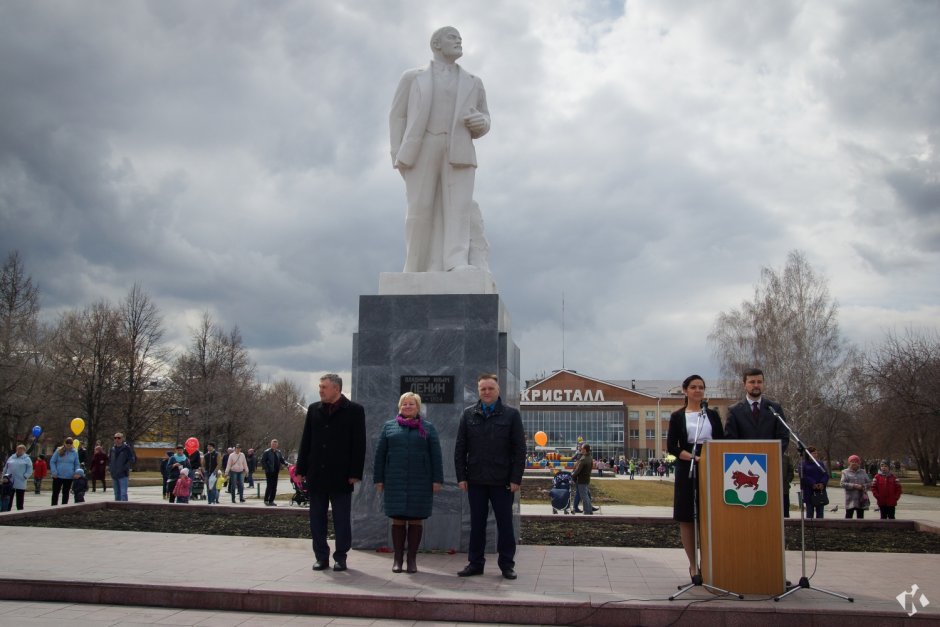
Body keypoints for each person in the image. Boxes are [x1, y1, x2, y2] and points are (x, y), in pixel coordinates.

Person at [390, 26, 492, 273]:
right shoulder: (412, 78)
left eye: (460, 38)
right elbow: (397, 116)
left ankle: (456, 261)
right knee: (419, 209)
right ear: (436, 44)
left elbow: (485, 117)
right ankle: (414, 265)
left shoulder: (474, 82)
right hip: (422, 147)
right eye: (452, 37)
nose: (459, 41)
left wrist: (482, 123)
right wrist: (397, 154)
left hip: (459, 150)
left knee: (459, 208)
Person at [454, 373, 525, 580]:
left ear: (498, 390)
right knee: (477, 524)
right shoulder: (468, 415)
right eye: (483, 389)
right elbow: (460, 449)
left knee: (505, 525)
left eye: (490, 388)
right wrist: (461, 477)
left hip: (502, 481)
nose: (486, 392)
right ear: (478, 391)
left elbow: (519, 449)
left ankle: (506, 565)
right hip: (475, 480)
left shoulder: (511, 415)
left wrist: (515, 479)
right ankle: (475, 563)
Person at [295, 373, 366, 572]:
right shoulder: (313, 409)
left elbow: (359, 445)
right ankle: (321, 556)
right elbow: (305, 441)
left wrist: (355, 473)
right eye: (320, 387)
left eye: (324, 387)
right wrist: (301, 469)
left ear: (336, 388)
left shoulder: (354, 410)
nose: (320, 391)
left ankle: (341, 556)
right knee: (316, 518)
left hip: (341, 475)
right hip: (316, 473)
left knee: (341, 519)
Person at [373, 392, 444, 573]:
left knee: (415, 520)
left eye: (411, 404)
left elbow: (436, 456)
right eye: (404, 404)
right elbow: (380, 455)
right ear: (399, 406)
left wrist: (437, 479)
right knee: (397, 519)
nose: (407, 407)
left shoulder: (428, 428)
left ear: (418, 407)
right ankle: (398, 559)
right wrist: (379, 479)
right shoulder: (389, 427)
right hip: (394, 480)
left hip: (420, 481)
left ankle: (411, 560)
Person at [666, 374, 724, 582]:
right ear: (685, 391)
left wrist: (710, 458)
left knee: (710, 514)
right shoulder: (677, 416)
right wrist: (693, 457)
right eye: (693, 387)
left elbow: (721, 441)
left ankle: (710, 562)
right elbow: (672, 446)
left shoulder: (713, 415)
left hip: (712, 467)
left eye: (701, 387)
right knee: (687, 516)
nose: (698, 390)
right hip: (688, 466)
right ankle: (693, 565)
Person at [724, 368, 789, 452]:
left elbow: (783, 437)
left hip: (770, 459)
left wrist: (772, 454)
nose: (756, 385)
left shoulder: (774, 408)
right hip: (744, 461)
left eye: (759, 382)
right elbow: (730, 440)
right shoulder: (734, 411)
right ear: (744, 385)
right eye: (752, 382)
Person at [800, 446, 829, 518]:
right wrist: (813, 483)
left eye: (816, 453)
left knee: (820, 512)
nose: (816, 455)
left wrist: (822, 483)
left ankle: (820, 526)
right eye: (813, 453)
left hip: (820, 491)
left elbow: (825, 474)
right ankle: (809, 527)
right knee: (809, 511)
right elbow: (803, 476)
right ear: (808, 454)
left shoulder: (820, 463)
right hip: (809, 491)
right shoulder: (803, 464)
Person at [49, 438, 80, 505]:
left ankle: (64, 507)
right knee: (55, 493)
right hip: (57, 476)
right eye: (67, 443)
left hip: (69, 476)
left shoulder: (74, 452)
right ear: (64, 443)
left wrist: (76, 472)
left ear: (72, 444)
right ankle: (54, 507)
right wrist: (54, 471)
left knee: (65, 493)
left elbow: (77, 464)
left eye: (70, 444)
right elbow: (52, 461)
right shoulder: (59, 450)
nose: (68, 445)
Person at [2, 444, 33, 510]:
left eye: (21, 450)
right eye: (18, 449)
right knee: (9, 498)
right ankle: (7, 510)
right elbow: (6, 467)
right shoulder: (11, 457)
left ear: (24, 451)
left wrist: (24, 476)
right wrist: (4, 476)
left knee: (20, 498)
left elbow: (30, 470)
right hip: (9, 481)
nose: (19, 451)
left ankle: (20, 511)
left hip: (20, 481)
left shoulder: (27, 459)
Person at [841, 454, 871, 519]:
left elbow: (869, 483)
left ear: (859, 463)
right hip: (850, 498)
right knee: (848, 516)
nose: (854, 463)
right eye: (852, 461)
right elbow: (842, 483)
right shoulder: (845, 472)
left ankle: (860, 528)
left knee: (860, 516)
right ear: (849, 463)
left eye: (856, 462)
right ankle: (847, 528)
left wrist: (863, 486)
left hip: (861, 499)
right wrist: (854, 486)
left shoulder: (863, 472)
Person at [261, 439, 288, 506]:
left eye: (275, 444)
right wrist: (267, 469)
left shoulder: (278, 452)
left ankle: (271, 500)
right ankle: (266, 500)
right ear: (271, 444)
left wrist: (287, 464)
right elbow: (263, 461)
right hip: (269, 472)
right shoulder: (267, 452)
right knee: (269, 486)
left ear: (277, 445)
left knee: (274, 486)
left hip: (276, 471)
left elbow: (282, 460)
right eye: (273, 444)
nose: (274, 446)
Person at [109, 432, 135, 502]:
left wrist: (125, 467)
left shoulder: (126, 449)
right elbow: (110, 460)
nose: (117, 439)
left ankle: (125, 508)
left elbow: (132, 459)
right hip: (114, 474)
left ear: (122, 439)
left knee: (123, 494)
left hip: (123, 474)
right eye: (115, 438)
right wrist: (110, 469)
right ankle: (117, 509)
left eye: (119, 438)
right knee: (116, 494)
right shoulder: (112, 449)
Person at [570, 444, 594, 515]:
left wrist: (572, 475)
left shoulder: (584, 459)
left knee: (584, 496)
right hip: (586, 479)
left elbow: (578, 470)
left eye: (582, 448)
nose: (581, 449)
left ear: (585, 449)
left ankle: (587, 511)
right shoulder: (589, 457)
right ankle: (590, 510)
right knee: (586, 495)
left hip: (581, 480)